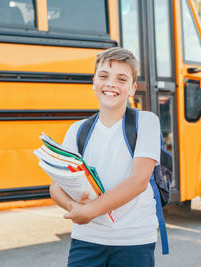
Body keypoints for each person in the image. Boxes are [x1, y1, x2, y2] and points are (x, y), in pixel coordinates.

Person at [49, 47, 161, 267]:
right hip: (87, 240)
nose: (111, 84)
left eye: (121, 79)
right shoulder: (77, 130)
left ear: (132, 88)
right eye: (104, 76)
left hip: (133, 240)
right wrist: (75, 210)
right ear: (94, 82)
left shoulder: (146, 122)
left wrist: (88, 211)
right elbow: (55, 186)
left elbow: (138, 182)